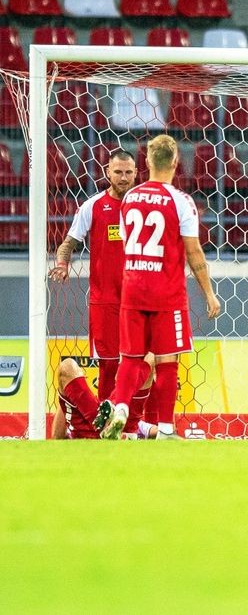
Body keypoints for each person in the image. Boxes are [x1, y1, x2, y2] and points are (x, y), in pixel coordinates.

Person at [95, 135, 221, 439]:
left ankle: (121, 406)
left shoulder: (130, 198)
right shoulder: (181, 201)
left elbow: (128, 246)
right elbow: (194, 253)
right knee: (167, 361)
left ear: (147, 162)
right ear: (176, 163)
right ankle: (165, 429)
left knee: (131, 358)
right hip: (167, 293)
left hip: (133, 288)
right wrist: (209, 293)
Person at [49, 150, 145, 436]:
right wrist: (63, 264)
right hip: (105, 300)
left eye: (128, 172)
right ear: (106, 172)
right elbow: (68, 243)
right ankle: (105, 426)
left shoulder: (142, 207)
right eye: (118, 172)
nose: (123, 177)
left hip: (139, 297)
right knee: (108, 365)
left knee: (141, 362)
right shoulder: (92, 206)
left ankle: (127, 422)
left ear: (136, 173)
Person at [52, 354, 158, 440]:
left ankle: (108, 418)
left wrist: (165, 430)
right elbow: (57, 436)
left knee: (148, 356)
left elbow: (154, 431)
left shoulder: (136, 423)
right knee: (67, 366)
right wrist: (68, 393)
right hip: (104, 428)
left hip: (122, 429)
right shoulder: (85, 403)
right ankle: (107, 423)